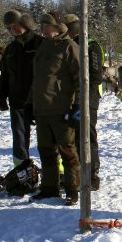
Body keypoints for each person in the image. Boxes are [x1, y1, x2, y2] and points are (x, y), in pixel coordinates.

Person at [29, 12, 81, 206]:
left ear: (59, 27)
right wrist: (30, 103)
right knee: (45, 151)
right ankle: (49, 188)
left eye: (47, 26)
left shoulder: (69, 46)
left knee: (67, 151)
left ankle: (72, 190)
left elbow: (80, 78)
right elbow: (37, 79)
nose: (43, 29)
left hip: (62, 108)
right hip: (42, 109)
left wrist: (77, 105)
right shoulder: (43, 46)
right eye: (42, 25)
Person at [64, 13, 104, 191]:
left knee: (88, 134)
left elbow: (96, 76)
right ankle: (76, 173)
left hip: (90, 97)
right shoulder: (67, 45)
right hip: (71, 97)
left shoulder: (91, 46)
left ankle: (92, 173)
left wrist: (86, 98)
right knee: (72, 136)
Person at [0, 10, 44, 166]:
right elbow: (5, 75)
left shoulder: (41, 44)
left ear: (25, 23)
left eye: (16, 25)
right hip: (18, 101)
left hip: (41, 100)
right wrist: (2, 96)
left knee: (48, 140)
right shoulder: (10, 50)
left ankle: (55, 175)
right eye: (10, 27)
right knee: (19, 140)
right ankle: (21, 172)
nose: (13, 29)